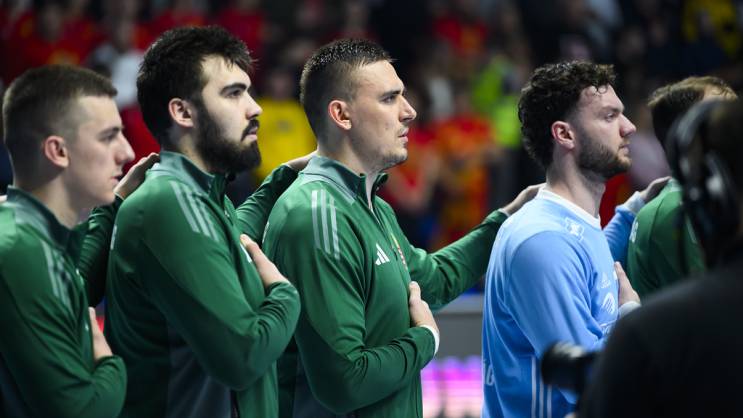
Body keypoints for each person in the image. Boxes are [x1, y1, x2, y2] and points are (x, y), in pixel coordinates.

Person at [261, 38, 539, 418]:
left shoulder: (371, 206)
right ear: (341, 115)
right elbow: (345, 382)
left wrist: (505, 221)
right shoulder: (317, 216)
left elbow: (431, 281)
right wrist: (424, 339)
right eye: (390, 98)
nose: (409, 112)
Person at [104, 26, 304, 418]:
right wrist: (284, 293)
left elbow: (229, 240)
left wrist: (281, 179)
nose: (255, 108)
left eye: (249, 91)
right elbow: (243, 357)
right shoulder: (170, 204)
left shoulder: (207, 198)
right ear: (182, 112)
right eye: (233, 93)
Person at [481, 61, 669, 418]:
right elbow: (593, 383)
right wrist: (630, 316)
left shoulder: (572, 225)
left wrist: (631, 210)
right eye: (609, 116)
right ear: (565, 134)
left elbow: (588, 272)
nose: (629, 127)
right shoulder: (543, 241)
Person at [0, 65, 154, 418]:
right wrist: (108, 360)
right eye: (108, 136)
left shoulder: (28, 235)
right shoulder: (22, 250)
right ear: (58, 151)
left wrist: (113, 201)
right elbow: (84, 411)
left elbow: (75, 282)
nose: (127, 152)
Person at [580, 98, 743, 418]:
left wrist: (632, 321)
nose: (628, 127)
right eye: (610, 116)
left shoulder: (652, 334)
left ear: (709, 198)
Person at [626, 76, 736, 297]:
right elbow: (720, 304)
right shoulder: (675, 209)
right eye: (721, 116)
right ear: (686, 136)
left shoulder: (715, 197)